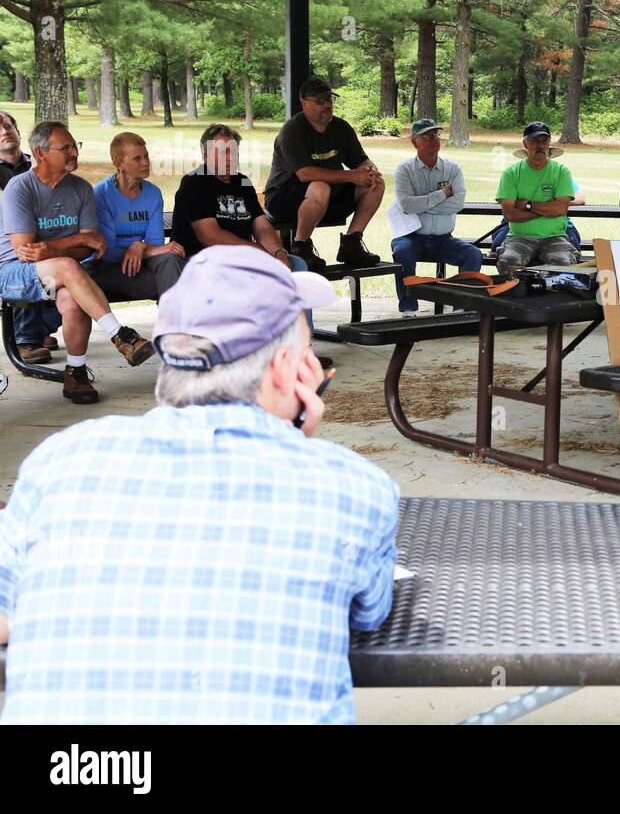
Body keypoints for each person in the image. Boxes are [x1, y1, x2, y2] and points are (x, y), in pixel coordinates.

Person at [0, 246, 400, 724]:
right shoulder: (354, 488)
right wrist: (297, 446)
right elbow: (369, 613)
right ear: (286, 373)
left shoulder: (59, 463)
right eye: (305, 351)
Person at [0, 121, 153, 404]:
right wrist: (73, 244)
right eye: (66, 148)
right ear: (41, 153)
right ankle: (121, 334)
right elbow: (25, 251)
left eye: (75, 146)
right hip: (13, 273)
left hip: (60, 271)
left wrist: (57, 247)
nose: (74, 153)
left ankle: (76, 371)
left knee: (72, 297)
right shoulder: (19, 189)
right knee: (70, 269)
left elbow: (93, 247)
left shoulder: (81, 189)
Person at [172, 124, 331, 365]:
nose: (229, 158)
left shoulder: (242, 182)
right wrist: (256, 251)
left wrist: (277, 252)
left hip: (244, 258)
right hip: (207, 260)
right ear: (205, 155)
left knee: (296, 265)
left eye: (233, 152)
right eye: (222, 152)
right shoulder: (194, 183)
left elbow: (261, 225)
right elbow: (209, 235)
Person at [263, 76, 385, 273]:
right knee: (320, 187)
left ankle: (351, 244)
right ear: (303, 103)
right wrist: (352, 176)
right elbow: (304, 173)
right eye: (319, 102)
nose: (327, 105)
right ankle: (300, 246)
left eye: (329, 100)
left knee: (375, 184)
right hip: (283, 199)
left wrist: (369, 170)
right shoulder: (292, 130)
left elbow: (360, 160)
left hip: (326, 199)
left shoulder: (341, 128)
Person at [390, 118, 483, 317]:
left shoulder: (452, 169)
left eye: (436, 135)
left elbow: (457, 204)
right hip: (411, 236)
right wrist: (441, 195)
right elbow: (406, 205)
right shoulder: (405, 170)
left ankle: (461, 305)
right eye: (427, 136)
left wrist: (422, 205)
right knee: (402, 252)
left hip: (444, 238)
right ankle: (408, 308)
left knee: (473, 254)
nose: (433, 139)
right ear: (415, 142)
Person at [90, 132, 185, 301]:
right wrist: (139, 248)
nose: (146, 162)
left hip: (142, 261)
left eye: (146, 156)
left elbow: (155, 242)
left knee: (170, 259)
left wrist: (140, 248)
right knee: (173, 281)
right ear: (119, 163)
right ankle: (176, 320)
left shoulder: (153, 193)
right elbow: (108, 253)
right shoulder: (101, 195)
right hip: (107, 267)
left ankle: (173, 321)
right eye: (137, 158)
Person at [0, 110, 59, 363]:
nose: (5, 132)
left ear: (18, 131)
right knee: (24, 258)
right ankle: (25, 338)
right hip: (7, 248)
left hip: (44, 236)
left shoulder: (38, 166)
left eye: (8, 126)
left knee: (75, 263)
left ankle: (42, 328)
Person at [493, 121, 578, 275]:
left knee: (563, 265)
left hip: (555, 237)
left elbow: (561, 208)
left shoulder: (561, 172)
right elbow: (510, 214)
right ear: (525, 144)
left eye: (544, 141)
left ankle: (555, 299)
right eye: (535, 141)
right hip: (519, 238)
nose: (540, 146)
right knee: (508, 263)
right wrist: (547, 209)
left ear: (549, 143)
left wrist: (527, 205)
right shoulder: (511, 173)